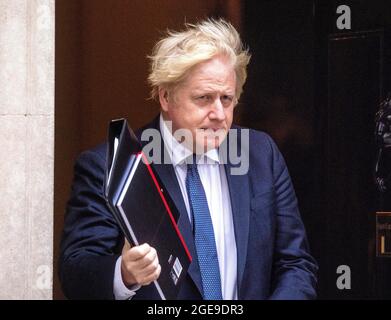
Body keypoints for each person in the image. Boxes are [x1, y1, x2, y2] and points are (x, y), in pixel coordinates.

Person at [59, 19, 318, 300]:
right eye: (204, 98)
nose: (219, 113)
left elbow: (295, 264)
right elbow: (76, 276)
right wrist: (124, 273)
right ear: (166, 97)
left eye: (227, 99)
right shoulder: (110, 165)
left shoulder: (260, 153)